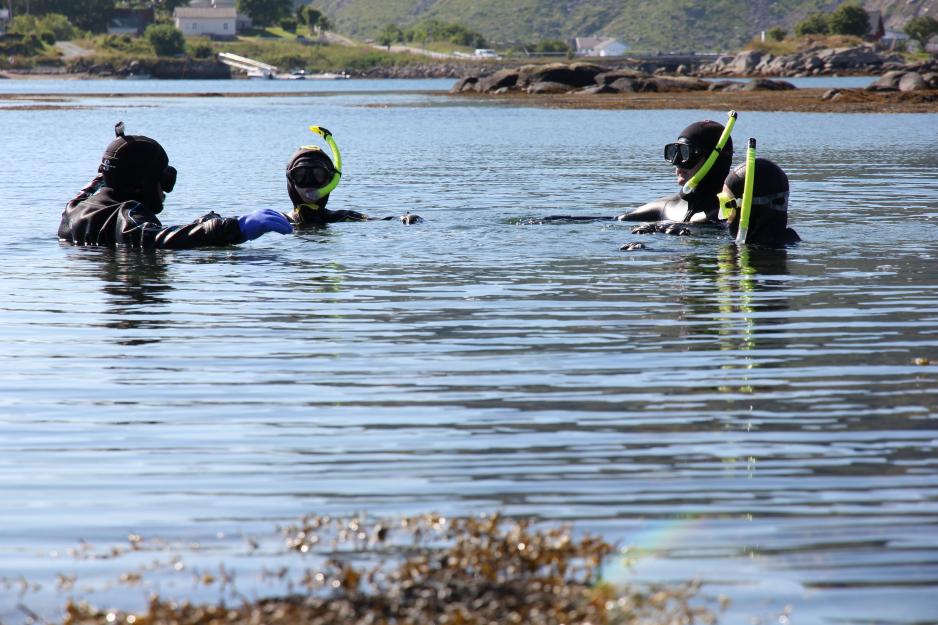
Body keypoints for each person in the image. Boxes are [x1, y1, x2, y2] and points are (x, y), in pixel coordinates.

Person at [59, 122, 293, 248]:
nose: (165, 190)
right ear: (141, 184)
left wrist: (199, 225)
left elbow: (99, 180)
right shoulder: (128, 213)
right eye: (164, 180)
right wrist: (230, 228)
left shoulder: (74, 208)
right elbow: (157, 238)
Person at [285, 132, 421, 227]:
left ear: (330, 180)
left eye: (318, 175)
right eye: (300, 175)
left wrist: (406, 218)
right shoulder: (280, 220)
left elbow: (383, 221)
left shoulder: (342, 217)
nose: (309, 183)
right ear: (291, 181)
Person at [618, 119, 734, 224]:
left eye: (685, 153)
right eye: (674, 152)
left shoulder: (733, 212)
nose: (677, 162)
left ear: (716, 161)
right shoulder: (666, 207)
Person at [720, 157, 800, 247]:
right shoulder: (789, 242)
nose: (723, 217)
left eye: (726, 205)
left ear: (749, 208)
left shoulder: (746, 252)